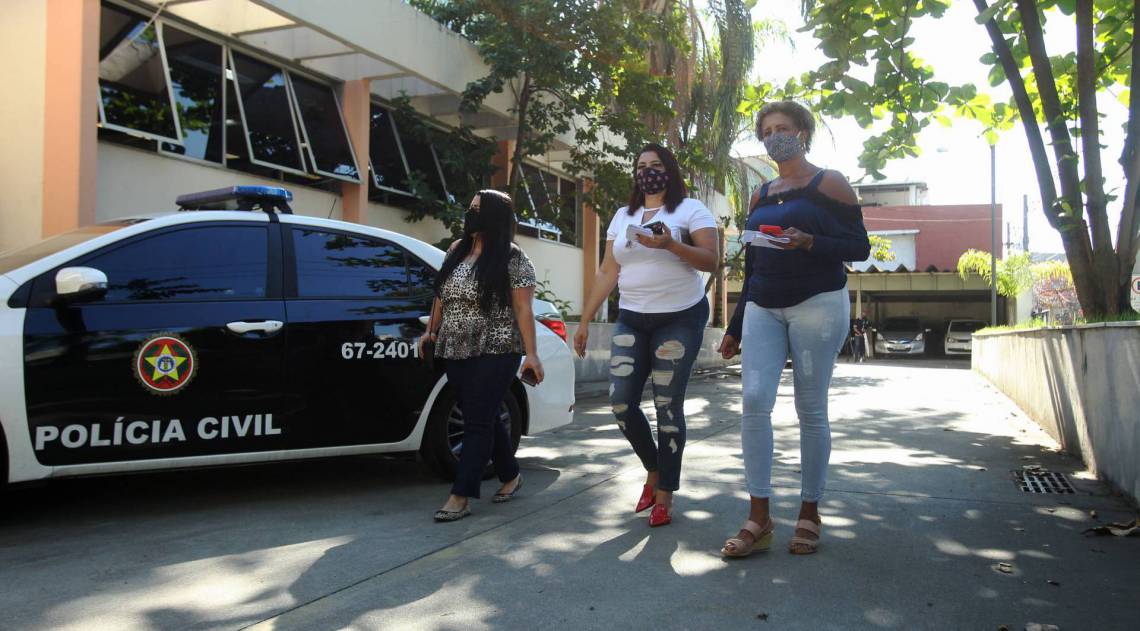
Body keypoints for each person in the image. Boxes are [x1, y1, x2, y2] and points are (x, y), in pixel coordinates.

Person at [718, 101, 870, 556]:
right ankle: (758, 516)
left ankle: (809, 511)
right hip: (764, 303)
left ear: (802, 132)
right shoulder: (761, 194)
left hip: (818, 302)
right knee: (753, 401)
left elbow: (859, 246)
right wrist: (736, 324)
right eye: (766, 131)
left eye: (782, 128)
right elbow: (754, 262)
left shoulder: (831, 183)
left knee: (810, 407)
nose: (773, 136)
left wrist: (811, 242)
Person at [574, 143, 720, 527]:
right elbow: (608, 271)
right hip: (632, 319)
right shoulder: (624, 215)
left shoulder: (691, 210)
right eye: (641, 166)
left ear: (669, 171)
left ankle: (664, 494)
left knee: (667, 407)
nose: (648, 171)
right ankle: (654, 469)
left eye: (656, 165)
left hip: (680, 319)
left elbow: (711, 260)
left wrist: (670, 243)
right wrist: (585, 320)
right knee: (621, 403)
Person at [421, 189, 543, 522]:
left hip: (498, 347)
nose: (470, 213)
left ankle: (460, 496)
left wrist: (532, 354)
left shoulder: (513, 257)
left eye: (477, 209)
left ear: (493, 217)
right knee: (484, 415)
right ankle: (511, 475)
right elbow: (441, 294)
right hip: (455, 346)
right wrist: (431, 331)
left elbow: (523, 307)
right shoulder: (456, 250)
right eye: (469, 207)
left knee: (477, 421)